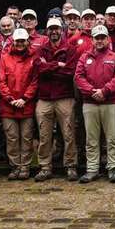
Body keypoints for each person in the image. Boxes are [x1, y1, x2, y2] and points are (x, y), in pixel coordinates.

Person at [75, 25, 115, 183]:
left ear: (108, 39)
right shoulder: (84, 57)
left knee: (112, 137)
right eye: (97, 38)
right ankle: (92, 169)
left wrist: (104, 91)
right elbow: (78, 77)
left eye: (102, 37)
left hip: (110, 102)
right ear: (92, 39)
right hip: (90, 102)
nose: (99, 40)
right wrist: (92, 91)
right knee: (91, 138)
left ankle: (113, 167)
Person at [35, 18, 80, 182]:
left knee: (69, 134)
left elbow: (70, 72)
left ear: (62, 30)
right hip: (45, 97)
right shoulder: (40, 49)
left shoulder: (70, 49)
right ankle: (45, 167)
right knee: (44, 135)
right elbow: (38, 69)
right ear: (46, 31)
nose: (54, 31)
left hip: (65, 96)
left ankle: (71, 166)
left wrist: (49, 66)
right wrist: (58, 65)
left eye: (56, 28)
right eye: (51, 29)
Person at [0, 28, 39, 181]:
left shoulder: (34, 57)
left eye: (23, 41)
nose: (20, 44)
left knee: (27, 137)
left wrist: (24, 98)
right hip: (8, 105)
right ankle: (15, 166)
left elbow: (35, 80)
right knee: (12, 137)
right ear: (13, 41)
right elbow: (1, 81)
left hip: (26, 104)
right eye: (17, 41)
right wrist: (10, 99)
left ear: (28, 41)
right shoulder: (5, 57)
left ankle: (25, 166)